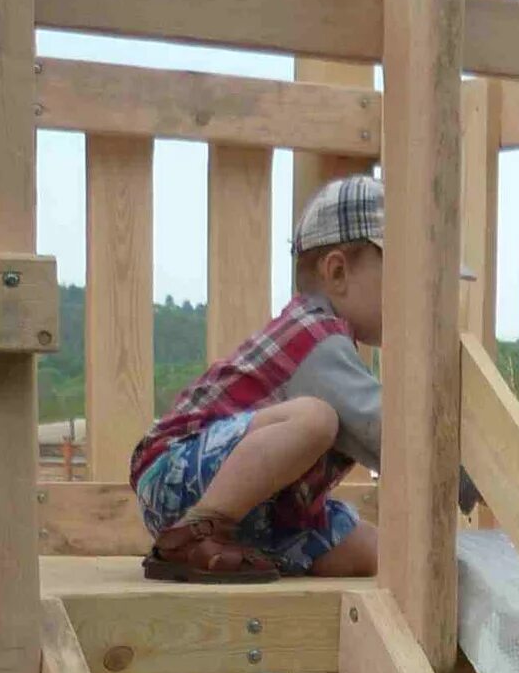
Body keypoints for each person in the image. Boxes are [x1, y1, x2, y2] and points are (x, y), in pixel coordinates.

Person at [127, 173, 394, 584]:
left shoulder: (337, 345)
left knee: (375, 552)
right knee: (314, 419)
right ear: (337, 272)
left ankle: (226, 546)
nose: (414, 299)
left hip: (266, 510)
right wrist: (473, 471)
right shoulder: (314, 337)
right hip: (175, 475)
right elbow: (384, 432)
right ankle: (196, 536)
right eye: (402, 278)